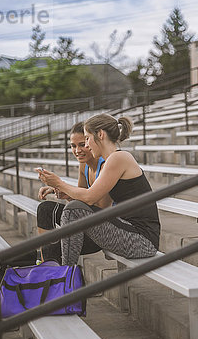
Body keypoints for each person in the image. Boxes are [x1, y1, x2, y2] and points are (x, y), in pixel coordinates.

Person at [37, 113, 160, 265]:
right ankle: (61, 275)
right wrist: (64, 190)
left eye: (87, 138)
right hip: (127, 231)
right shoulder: (113, 159)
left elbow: (90, 198)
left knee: (73, 209)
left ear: (100, 135)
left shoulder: (119, 158)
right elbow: (88, 200)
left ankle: (67, 276)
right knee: (55, 241)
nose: (86, 145)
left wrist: (59, 183)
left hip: (142, 241)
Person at [36, 121, 108, 263]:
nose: (77, 150)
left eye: (82, 144)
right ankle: (46, 267)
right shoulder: (84, 165)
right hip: (86, 221)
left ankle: (49, 271)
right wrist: (62, 192)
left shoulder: (105, 165)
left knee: (52, 249)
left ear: (90, 141)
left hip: (103, 230)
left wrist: (61, 185)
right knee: (44, 209)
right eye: (73, 146)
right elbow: (78, 202)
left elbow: (100, 208)